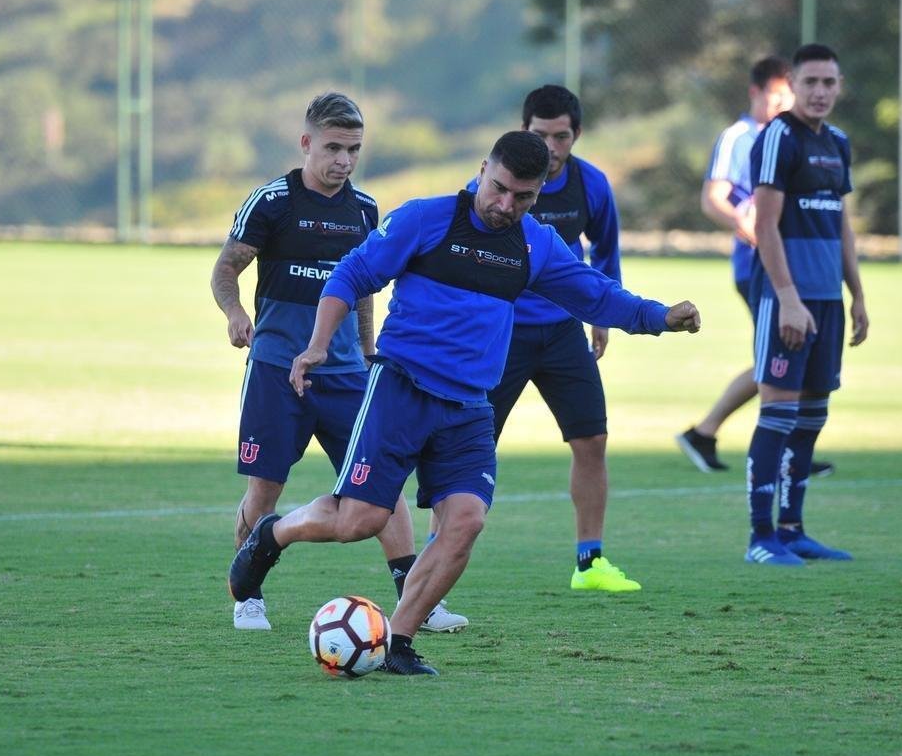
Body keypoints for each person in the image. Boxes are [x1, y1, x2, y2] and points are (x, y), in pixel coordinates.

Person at [228, 131, 701, 674]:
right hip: (400, 389)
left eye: (522, 197)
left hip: (469, 406)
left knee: (466, 521)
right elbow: (352, 274)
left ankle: (398, 643)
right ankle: (274, 532)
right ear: (482, 169)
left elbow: (596, 294)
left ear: (538, 194)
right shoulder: (425, 220)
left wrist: (660, 317)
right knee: (358, 520)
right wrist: (316, 345)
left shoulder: (535, 245)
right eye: (498, 189)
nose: (506, 205)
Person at [210, 92, 465, 633]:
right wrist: (234, 313)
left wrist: (370, 353)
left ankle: (415, 596)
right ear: (306, 143)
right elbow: (226, 268)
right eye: (332, 148)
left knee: (384, 483)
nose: (343, 161)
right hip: (277, 369)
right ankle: (247, 593)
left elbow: (366, 290)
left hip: (348, 375)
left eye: (353, 149)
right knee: (266, 488)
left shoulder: (366, 210)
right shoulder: (272, 202)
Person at [429, 84, 639, 593]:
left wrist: (602, 317)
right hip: (503, 336)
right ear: (523, 133)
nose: (550, 147)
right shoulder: (490, 186)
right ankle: (429, 564)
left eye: (561, 136)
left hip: (563, 330)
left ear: (576, 136)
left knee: (591, 438)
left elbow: (606, 254)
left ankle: (590, 564)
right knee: (466, 448)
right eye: (540, 136)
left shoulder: (591, 185)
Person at [676, 57, 833, 478]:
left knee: (786, 354)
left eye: (789, 97)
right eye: (776, 96)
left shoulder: (797, 137)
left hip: (798, 263)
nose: (783, 105)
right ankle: (783, 452)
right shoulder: (739, 137)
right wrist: (743, 223)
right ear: (756, 93)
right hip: (757, 266)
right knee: (787, 354)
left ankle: (708, 433)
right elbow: (714, 198)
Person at [742, 43, 868, 566]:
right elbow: (765, 224)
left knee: (812, 417)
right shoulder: (778, 137)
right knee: (777, 415)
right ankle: (760, 538)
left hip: (828, 301)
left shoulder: (838, 143)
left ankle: (793, 530)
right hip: (785, 298)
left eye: (829, 83)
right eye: (811, 82)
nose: (820, 92)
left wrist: (857, 294)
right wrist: (789, 300)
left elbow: (839, 225)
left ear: (839, 86)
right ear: (792, 84)